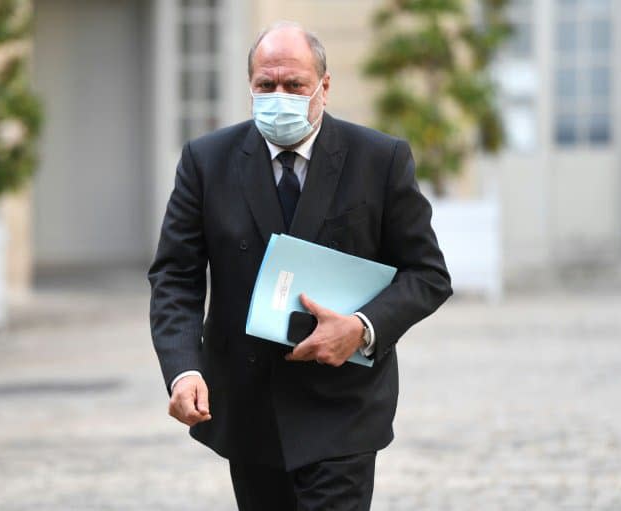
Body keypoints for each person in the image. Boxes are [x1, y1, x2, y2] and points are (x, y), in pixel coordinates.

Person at [148, 20, 452, 511]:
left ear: (324, 88)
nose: (279, 96)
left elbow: (428, 274)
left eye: (295, 85)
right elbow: (175, 277)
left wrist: (361, 327)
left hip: (343, 409)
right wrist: (183, 370)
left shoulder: (380, 158)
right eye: (266, 86)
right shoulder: (207, 161)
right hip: (248, 406)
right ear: (250, 88)